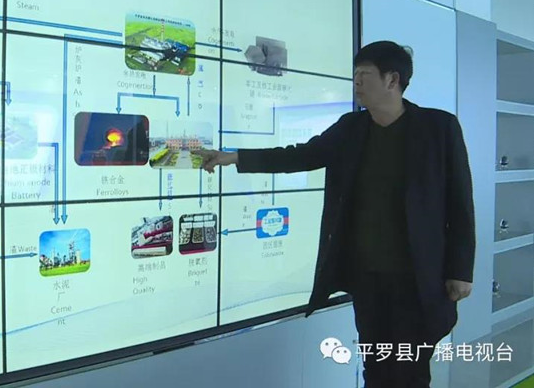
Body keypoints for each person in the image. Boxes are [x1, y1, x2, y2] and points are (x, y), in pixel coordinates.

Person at [195, 41, 475, 388]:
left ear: (393, 80)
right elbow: (300, 156)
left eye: (364, 75)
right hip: (367, 276)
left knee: (410, 369)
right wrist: (235, 157)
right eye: (355, 74)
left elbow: (460, 203)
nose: (356, 82)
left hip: (417, 277)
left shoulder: (438, 128)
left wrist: (460, 270)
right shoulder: (351, 128)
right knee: (375, 366)